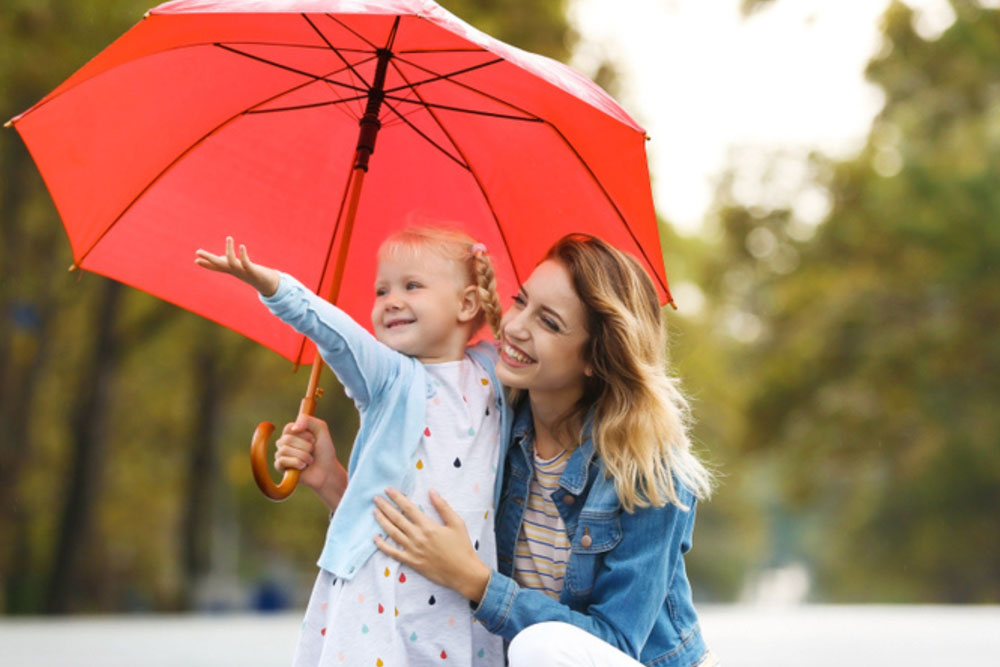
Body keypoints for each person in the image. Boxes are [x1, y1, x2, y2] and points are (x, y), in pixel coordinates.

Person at [370, 233, 719, 666]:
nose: (514, 327)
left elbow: (617, 643)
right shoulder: (491, 424)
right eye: (520, 301)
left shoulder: (650, 472)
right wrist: (332, 481)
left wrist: (476, 581)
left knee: (542, 646)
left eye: (549, 323)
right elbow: (418, 534)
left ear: (596, 357)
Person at [195, 228, 508, 666]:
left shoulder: (492, 371)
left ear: (467, 304)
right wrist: (273, 285)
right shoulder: (390, 377)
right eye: (382, 290)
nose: (391, 300)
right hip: (384, 590)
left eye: (411, 286)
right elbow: (338, 335)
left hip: (460, 596)